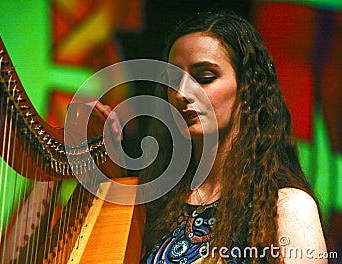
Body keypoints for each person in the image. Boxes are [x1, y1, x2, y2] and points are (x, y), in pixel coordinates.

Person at [135, 11, 327, 263]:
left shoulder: (286, 206)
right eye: (173, 81)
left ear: (249, 89)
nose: (181, 93)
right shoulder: (158, 205)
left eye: (204, 78)